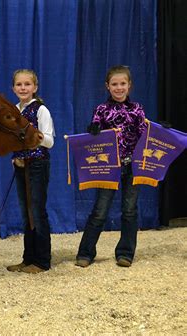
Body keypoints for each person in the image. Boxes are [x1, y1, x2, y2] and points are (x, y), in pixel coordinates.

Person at [75, 65, 147, 268]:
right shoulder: (101, 109)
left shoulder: (137, 109)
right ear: (108, 86)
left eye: (122, 83)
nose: (119, 87)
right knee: (100, 210)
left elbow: (146, 132)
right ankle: (86, 252)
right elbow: (94, 131)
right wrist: (94, 130)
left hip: (132, 166)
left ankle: (125, 252)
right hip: (109, 167)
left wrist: (161, 131)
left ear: (129, 86)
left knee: (130, 210)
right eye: (114, 84)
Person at [6, 69, 55, 274]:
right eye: (19, 84)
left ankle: (42, 261)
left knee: (37, 211)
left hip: (37, 165)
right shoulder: (15, 111)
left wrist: (34, 135)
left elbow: (50, 141)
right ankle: (28, 258)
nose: (23, 88)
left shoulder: (41, 110)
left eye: (27, 84)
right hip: (21, 166)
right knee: (27, 214)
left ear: (35, 87)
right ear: (13, 88)